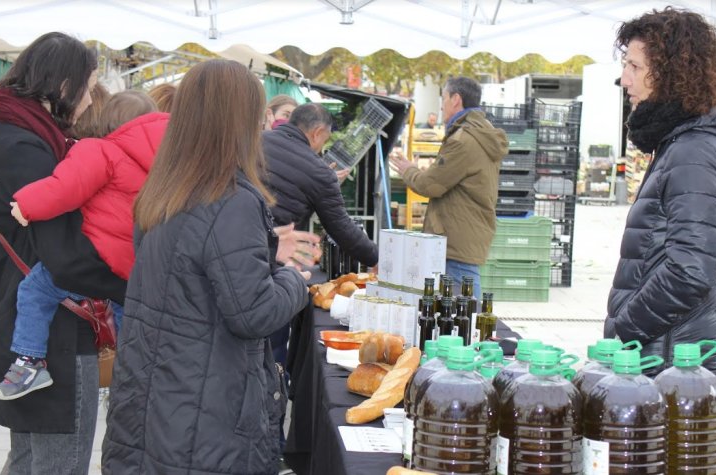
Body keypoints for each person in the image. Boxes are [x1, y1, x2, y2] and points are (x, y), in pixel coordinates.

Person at [101, 59, 310, 474]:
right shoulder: (231, 200)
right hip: (203, 415)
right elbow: (253, 312)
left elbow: (193, 274)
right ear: (241, 121)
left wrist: (267, 252)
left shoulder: (163, 190)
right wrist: (293, 280)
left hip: (154, 399)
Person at [0, 32, 127, 474]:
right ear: (63, 85)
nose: (89, 99)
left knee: (33, 459)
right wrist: (133, 283)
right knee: (58, 463)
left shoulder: (11, 133)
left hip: (30, 321)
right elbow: (64, 252)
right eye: (87, 85)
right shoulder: (23, 145)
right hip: (51, 330)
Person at [604, 7, 716, 394]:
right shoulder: (682, 143)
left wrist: (624, 329)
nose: (625, 78)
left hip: (673, 365)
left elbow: (690, 271)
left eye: (634, 66)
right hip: (669, 357)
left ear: (670, 72)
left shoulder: (694, 151)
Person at [0, 90, 166, 401]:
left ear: (108, 121)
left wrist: (26, 205)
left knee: (36, 289)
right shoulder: (166, 161)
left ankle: (28, 363)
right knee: (131, 319)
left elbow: (64, 188)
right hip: (138, 260)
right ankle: (138, 379)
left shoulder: (101, 150)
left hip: (97, 253)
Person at [263, 102, 377, 360]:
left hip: (238, 251)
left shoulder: (255, 142)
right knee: (273, 342)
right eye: (324, 139)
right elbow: (341, 227)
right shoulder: (316, 170)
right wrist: (375, 258)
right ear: (316, 133)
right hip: (276, 265)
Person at [390, 77, 507, 298]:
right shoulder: (481, 131)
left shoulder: (464, 140)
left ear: (456, 99)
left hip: (457, 238)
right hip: (467, 233)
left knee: (463, 310)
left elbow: (431, 185)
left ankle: (475, 332)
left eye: (443, 99)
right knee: (464, 308)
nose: (441, 106)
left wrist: (408, 170)